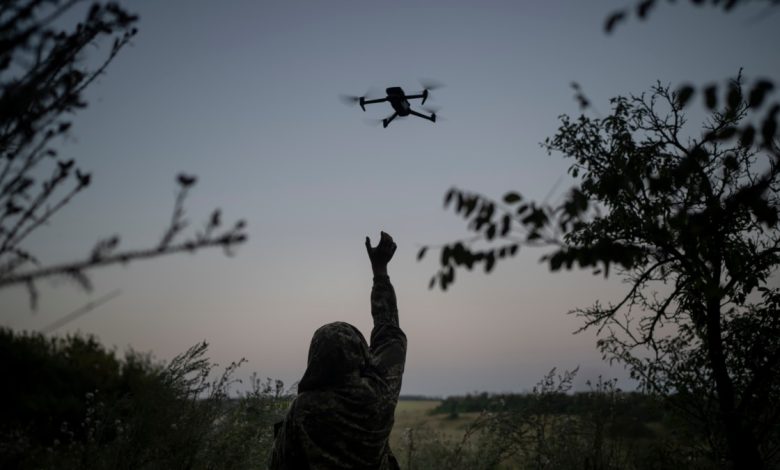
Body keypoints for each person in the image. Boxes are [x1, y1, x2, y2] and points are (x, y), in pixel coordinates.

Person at [269, 231, 407, 470]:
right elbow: (389, 333)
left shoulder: (303, 409)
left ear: (315, 359)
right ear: (361, 354)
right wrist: (380, 271)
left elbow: (278, 466)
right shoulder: (380, 394)